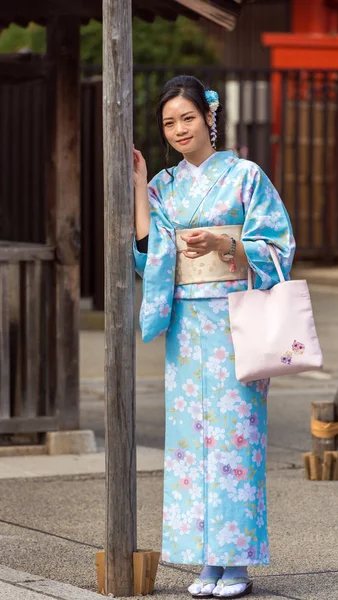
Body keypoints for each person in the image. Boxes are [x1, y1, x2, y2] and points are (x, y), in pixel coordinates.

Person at [133, 75, 295, 599]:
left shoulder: (246, 176)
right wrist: (139, 188)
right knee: (189, 447)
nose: (179, 129)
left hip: (234, 320)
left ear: (209, 117)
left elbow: (278, 245)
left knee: (235, 441)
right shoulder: (163, 186)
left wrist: (226, 244)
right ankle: (206, 561)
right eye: (169, 122)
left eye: (187, 118)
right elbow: (149, 254)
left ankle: (237, 563)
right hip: (186, 327)